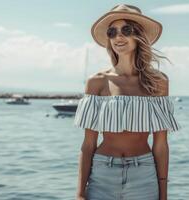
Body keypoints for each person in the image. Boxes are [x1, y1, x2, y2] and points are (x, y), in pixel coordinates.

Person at [73, 4, 181, 200]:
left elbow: (161, 145)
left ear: (138, 36)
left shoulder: (157, 82)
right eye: (112, 32)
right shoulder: (97, 82)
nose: (118, 37)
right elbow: (88, 144)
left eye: (126, 30)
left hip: (144, 175)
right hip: (102, 173)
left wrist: (163, 194)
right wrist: (80, 193)